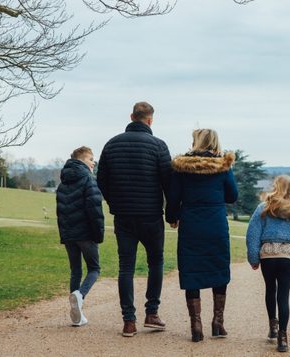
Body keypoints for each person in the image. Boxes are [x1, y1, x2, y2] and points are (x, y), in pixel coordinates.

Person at [96, 101, 171, 337]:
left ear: (131, 117)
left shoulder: (111, 144)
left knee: (126, 267)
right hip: (150, 215)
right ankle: (152, 312)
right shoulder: (158, 146)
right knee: (155, 262)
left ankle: (129, 320)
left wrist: (114, 202)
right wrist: (172, 214)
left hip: (124, 216)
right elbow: (169, 183)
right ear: (150, 120)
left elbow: (101, 182)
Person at [166, 129, 238, 342]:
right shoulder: (223, 166)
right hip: (215, 224)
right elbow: (232, 196)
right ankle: (218, 322)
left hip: (191, 224)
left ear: (196, 142)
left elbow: (173, 198)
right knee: (218, 267)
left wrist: (172, 217)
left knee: (191, 270)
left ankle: (195, 325)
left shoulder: (181, 167)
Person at [245, 175, 290, 352]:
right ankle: (283, 337)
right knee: (283, 296)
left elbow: (252, 234)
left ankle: (273, 327)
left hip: (267, 255)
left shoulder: (264, 207)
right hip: (287, 256)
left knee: (270, 289)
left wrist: (253, 258)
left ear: (276, 188)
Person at [56, 146, 104, 327]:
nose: (93, 162)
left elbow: (60, 212)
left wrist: (64, 234)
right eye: (91, 159)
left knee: (75, 270)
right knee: (94, 268)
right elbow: (95, 210)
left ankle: (77, 315)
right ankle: (80, 295)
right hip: (86, 234)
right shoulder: (88, 180)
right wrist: (98, 234)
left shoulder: (63, 183)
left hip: (69, 235)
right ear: (82, 160)